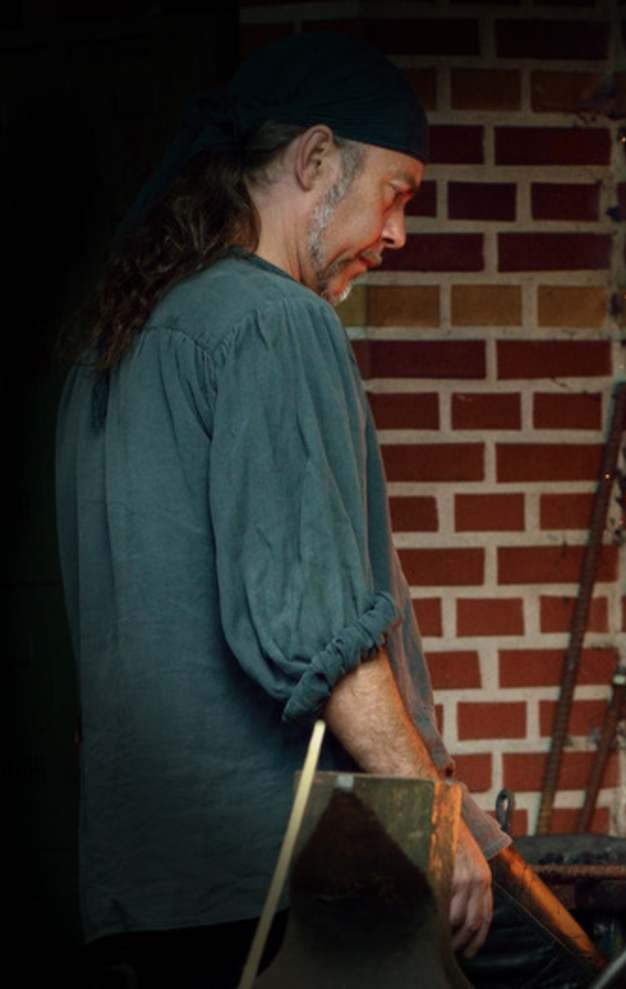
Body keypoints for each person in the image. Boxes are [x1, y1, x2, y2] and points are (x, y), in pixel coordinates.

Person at [55, 33, 505, 987]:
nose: (399, 234)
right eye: (397, 191)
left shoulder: (112, 347)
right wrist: (432, 819)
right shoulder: (273, 320)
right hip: (286, 894)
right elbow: (314, 630)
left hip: (142, 895)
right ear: (314, 159)